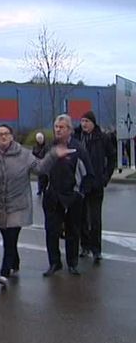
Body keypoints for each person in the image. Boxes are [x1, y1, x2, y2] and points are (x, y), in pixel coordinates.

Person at [0, 124, 70, 287]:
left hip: (18, 205)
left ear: (12, 136)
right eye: (0, 134)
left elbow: (41, 168)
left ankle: (4, 272)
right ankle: (15, 262)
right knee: (7, 238)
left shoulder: (24, 154)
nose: (3, 137)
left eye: (6, 134)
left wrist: (53, 155)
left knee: (10, 238)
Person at [42, 114, 94, 277]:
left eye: (61, 127)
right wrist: (44, 189)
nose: (58, 130)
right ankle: (54, 263)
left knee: (73, 231)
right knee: (51, 231)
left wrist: (80, 194)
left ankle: (72, 263)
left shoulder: (78, 149)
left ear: (69, 129)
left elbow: (89, 174)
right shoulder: (50, 147)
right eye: (56, 127)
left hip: (72, 197)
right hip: (53, 197)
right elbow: (42, 169)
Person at [74, 111, 116, 261]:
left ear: (93, 123)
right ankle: (84, 246)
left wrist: (105, 177)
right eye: (82, 121)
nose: (84, 124)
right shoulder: (77, 137)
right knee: (81, 217)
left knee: (95, 218)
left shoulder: (102, 138)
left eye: (87, 121)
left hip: (96, 184)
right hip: (81, 184)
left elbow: (112, 157)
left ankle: (96, 249)